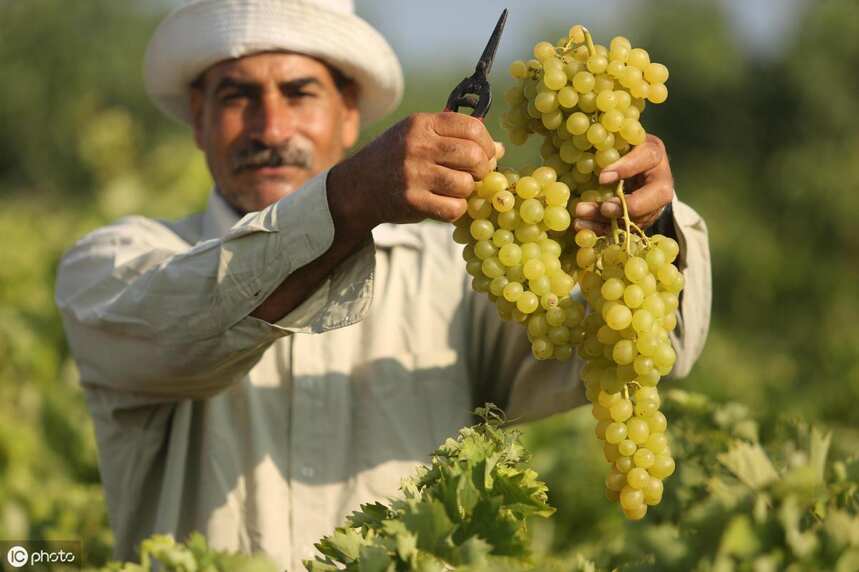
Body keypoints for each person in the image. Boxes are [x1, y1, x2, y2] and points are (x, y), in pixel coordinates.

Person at [54, 1, 711, 569]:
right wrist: (346, 200)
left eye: (299, 92)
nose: (271, 128)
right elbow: (181, 328)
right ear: (197, 118)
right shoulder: (119, 265)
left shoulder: (456, 273)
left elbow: (648, 347)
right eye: (236, 96)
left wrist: (644, 231)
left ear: (348, 115)